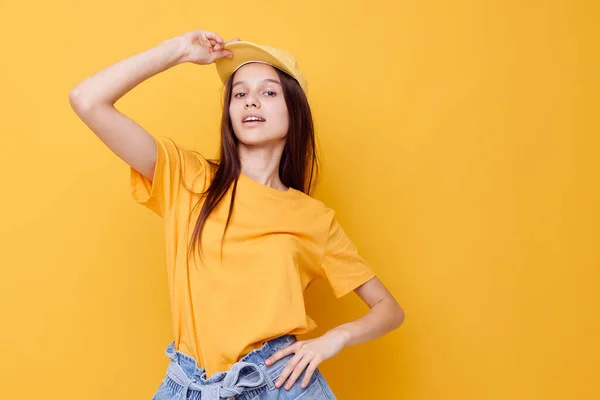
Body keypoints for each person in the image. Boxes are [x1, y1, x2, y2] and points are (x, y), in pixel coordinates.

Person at [69, 29, 405, 400]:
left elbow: (388, 308)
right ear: (229, 112)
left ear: (294, 110)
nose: (251, 102)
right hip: (189, 385)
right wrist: (178, 51)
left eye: (268, 92)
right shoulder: (188, 178)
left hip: (280, 384)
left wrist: (334, 339)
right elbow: (87, 100)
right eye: (240, 93)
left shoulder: (314, 218)